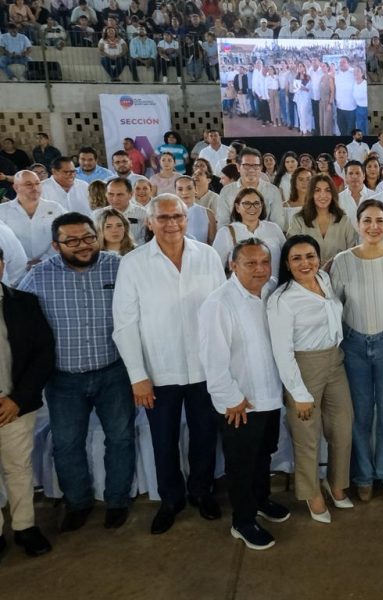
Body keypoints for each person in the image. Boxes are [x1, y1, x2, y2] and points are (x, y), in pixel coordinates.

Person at [112, 194, 227, 535]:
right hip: (158, 370)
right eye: (162, 218)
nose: (171, 223)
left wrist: (223, 364)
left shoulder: (207, 256)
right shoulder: (133, 263)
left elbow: (222, 311)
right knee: (163, 440)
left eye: (177, 216)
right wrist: (137, 376)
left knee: (205, 435)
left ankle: (202, 491)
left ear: (186, 219)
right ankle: (171, 499)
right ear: (149, 222)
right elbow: (125, 324)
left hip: (204, 368)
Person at [19, 211, 133, 534]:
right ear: (56, 246)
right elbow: (17, 314)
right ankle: (78, 503)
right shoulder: (38, 276)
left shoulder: (118, 267)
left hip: (113, 372)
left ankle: (117, 500)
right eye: (72, 241)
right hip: (63, 378)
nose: (83, 245)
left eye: (88, 237)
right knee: (67, 444)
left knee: (121, 438)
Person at [199, 239, 288, 550]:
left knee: (264, 453)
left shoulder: (271, 290)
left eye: (264, 262)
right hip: (241, 402)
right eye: (250, 263)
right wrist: (231, 399)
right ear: (232, 265)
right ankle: (243, 521)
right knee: (241, 463)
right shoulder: (219, 303)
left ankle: (261, 500)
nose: (259, 269)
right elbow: (213, 359)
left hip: (270, 394)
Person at [328, 199, 383, 502]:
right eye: (367, 220)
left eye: (380, 220)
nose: (373, 227)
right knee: (359, 416)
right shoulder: (343, 261)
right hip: (353, 346)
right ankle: (363, 475)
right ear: (357, 224)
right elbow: (333, 307)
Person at [268, 235, 354, 521]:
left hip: (335, 361)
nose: (305, 263)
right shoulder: (282, 300)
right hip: (304, 367)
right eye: (297, 258)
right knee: (307, 435)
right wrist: (299, 393)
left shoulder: (324, 280)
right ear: (286, 264)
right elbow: (282, 352)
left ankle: (336, 483)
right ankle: (311, 492)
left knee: (342, 426)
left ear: (318, 258)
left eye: (310, 256)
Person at [0, 246, 55, 557]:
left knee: (18, 467)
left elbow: (43, 353)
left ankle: (24, 526)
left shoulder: (24, 302)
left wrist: (18, 399)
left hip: (15, 404)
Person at [213, 188, 285, 279]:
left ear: (262, 206)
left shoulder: (274, 228)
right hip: (240, 287)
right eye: (247, 203)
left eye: (256, 203)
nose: (252, 207)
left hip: (275, 286)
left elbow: (287, 257)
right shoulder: (226, 232)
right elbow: (215, 267)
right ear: (237, 207)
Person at [0, 170, 66, 268]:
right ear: (16, 187)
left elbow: (65, 235)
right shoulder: (2, 211)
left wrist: (44, 259)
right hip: (13, 269)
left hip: (51, 265)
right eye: (28, 184)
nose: (35, 188)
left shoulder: (55, 208)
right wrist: (23, 261)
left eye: (37, 183)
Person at [287, 174, 356, 267]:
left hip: (340, 273)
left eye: (327, 190)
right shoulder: (298, 220)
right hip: (307, 273)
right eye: (317, 190)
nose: (323, 195)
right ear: (311, 194)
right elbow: (292, 252)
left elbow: (352, 253)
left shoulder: (344, 220)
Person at [217, 148, 286, 231]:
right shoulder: (226, 191)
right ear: (238, 167)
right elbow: (223, 223)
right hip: (235, 236)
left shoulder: (272, 191)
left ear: (261, 168)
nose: (251, 170)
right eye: (246, 165)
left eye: (256, 166)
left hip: (266, 236)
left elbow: (278, 223)